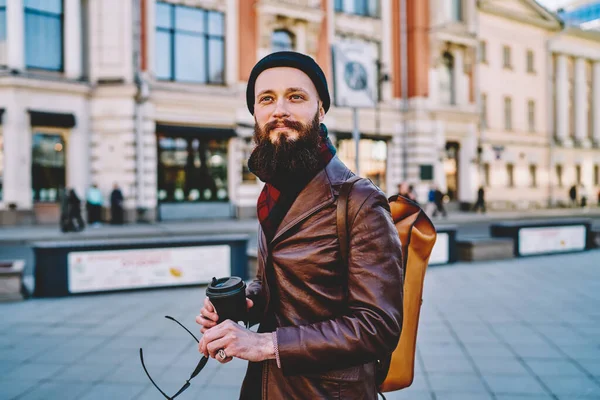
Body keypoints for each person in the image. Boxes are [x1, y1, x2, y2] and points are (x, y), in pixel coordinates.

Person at [196, 51, 404, 399]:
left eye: (295, 97)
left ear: (320, 110)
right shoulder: (274, 190)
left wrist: (266, 344)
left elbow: (378, 326)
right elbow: (279, 286)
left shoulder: (359, 201)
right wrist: (246, 302)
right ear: (256, 115)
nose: (280, 110)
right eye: (267, 99)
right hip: (265, 387)